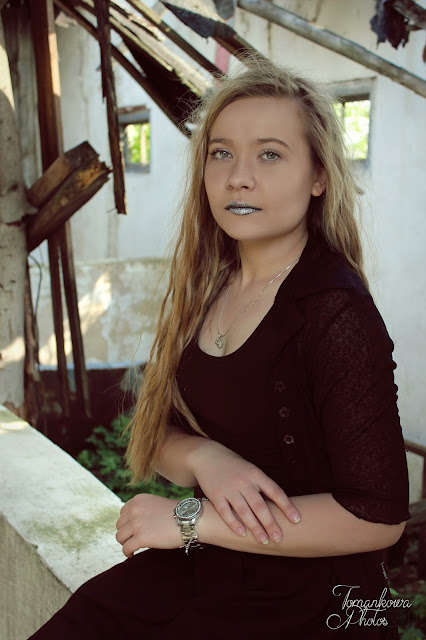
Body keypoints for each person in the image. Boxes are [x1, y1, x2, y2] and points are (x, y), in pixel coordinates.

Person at [29, 58, 410, 640]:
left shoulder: (335, 313)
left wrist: (190, 519)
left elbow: (377, 518)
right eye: (221, 153)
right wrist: (208, 459)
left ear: (319, 176)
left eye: (270, 155)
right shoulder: (208, 285)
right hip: (211, 569)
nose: (238, 178)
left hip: (315, 601)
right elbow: (157, 434)